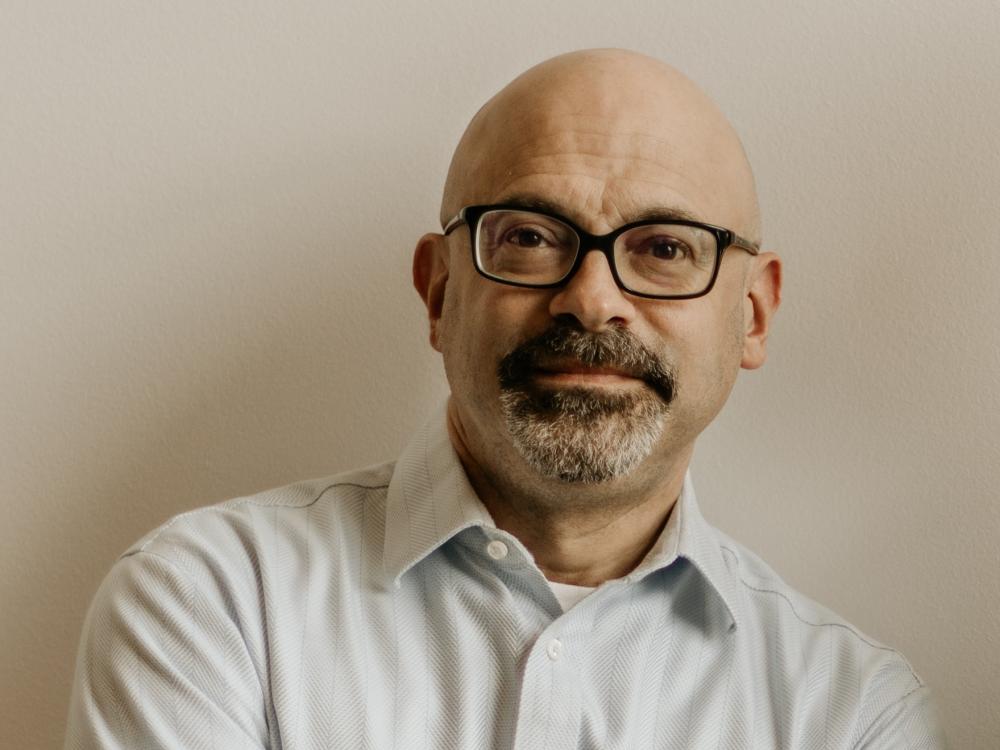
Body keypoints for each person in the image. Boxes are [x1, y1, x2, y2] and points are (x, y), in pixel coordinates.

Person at [64, 49, 945, 749]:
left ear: (751, 317)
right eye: (529, 236)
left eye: (666, 249)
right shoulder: (213, 605)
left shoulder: (853, 713)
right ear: (440, 293)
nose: (592, 297)